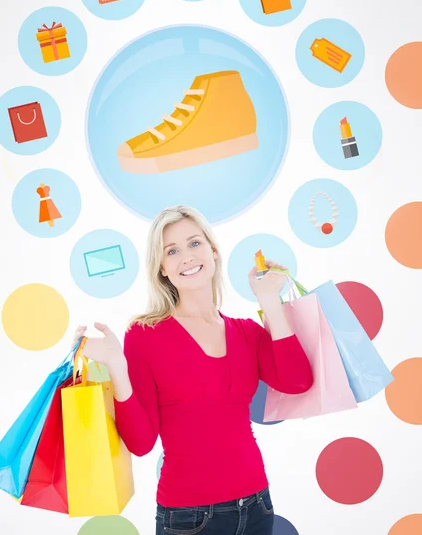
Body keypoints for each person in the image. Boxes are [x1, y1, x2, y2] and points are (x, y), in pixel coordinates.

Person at [73, 205, 313, 534]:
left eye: (195, 243)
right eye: (172, 250)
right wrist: (116, 366)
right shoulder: (145, 335)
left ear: (214, 252)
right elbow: (141, 443)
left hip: (257, 505)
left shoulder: (246, 332)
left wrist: (269, 299)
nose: (186, 256)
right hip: (189, 519)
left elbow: (298, 381)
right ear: (161, 267)